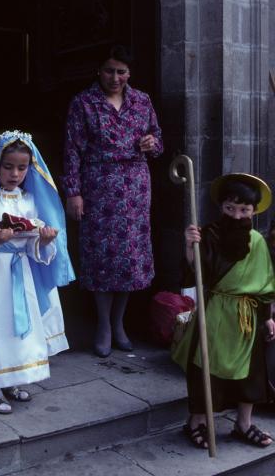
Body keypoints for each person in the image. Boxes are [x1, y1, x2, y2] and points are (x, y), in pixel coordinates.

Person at [0, 130, 75, 413]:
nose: (15, 173)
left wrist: (44, 240)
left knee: (17, 330)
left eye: (22, 167)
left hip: (20, 273)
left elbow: (35, 245)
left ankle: (14, 380)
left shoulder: (29, 200)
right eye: (8, 167)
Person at [61, 45, 163, 357]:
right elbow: (72, 150)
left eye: (121, 71)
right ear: (99, 71)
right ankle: (103, 325)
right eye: (109, 70)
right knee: (102, 259)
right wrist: (73, 192)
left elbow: (158, 142)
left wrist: (152, 143)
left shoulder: (142, 101)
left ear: (129, 73)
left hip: (134, 189)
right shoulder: (83, 103)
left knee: (129, 260)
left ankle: (119, 324)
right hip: (98, 189)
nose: (115, 77)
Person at [172, 173, 275, 449]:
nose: (237, 215)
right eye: (230, 208)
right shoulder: (210, 235)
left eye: (244, 210)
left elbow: (266, 283)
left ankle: (243, 423)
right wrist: (190, 246)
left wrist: (268, 317)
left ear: (254, 211)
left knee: (252, 372)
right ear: (221, 207)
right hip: (215, 312)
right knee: (206, 368)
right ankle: (196, 422)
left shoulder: (257, 241)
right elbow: (197, 274)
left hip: (246, 318)